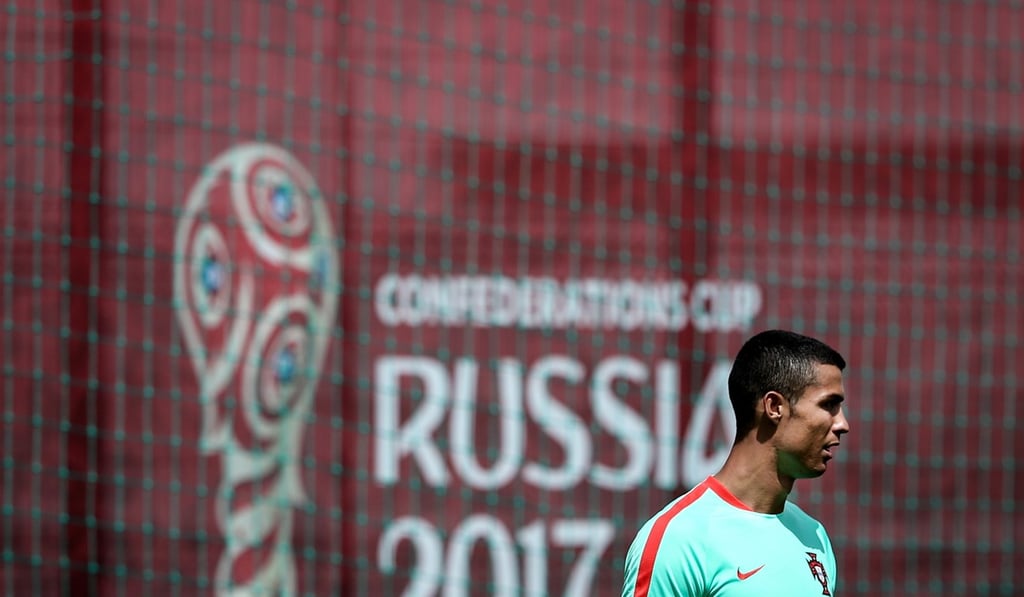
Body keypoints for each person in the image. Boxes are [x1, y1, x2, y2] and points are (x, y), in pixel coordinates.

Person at [621, 330, 850, 597]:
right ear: (775, 406)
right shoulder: (680, 540)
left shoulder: (815, 537)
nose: (842, 424)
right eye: (829, 405)